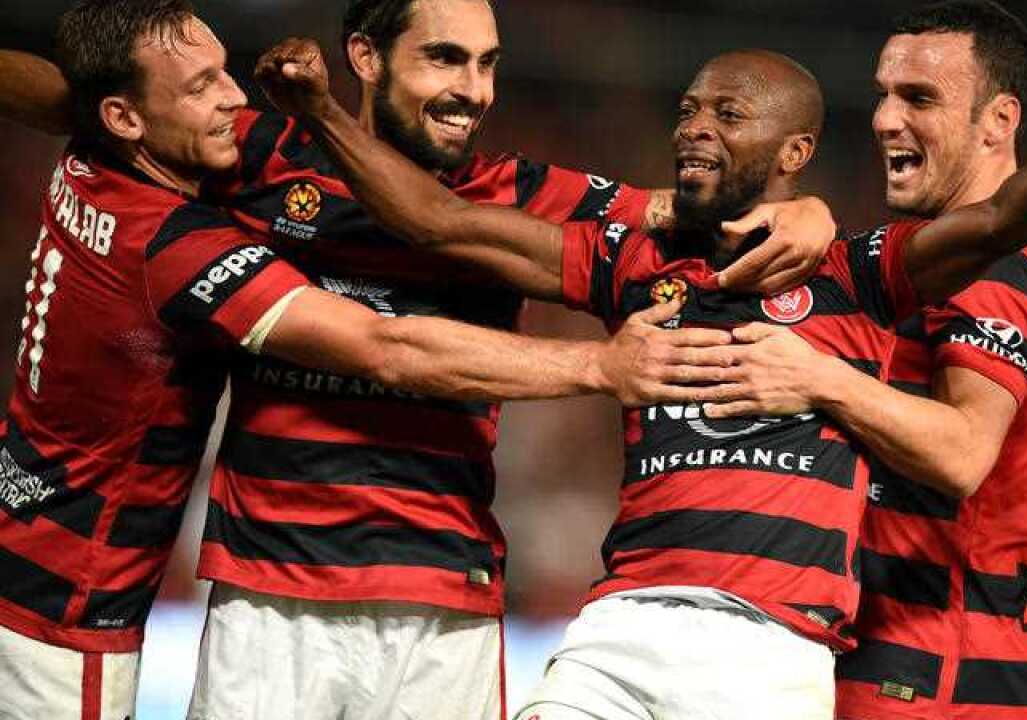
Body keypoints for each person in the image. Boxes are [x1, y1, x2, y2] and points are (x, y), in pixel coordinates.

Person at [0, 2, 835, 717]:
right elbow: (88, 101)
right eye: (444, 57)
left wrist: (814, 215)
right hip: (271, 595)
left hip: (448, 600)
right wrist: (596, 368)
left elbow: (698, 213)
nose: (473, 89)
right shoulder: (256, 154)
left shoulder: (527, 194)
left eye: (487, 63)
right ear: (366, 57)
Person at [254, 33, 1027, 717]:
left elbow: (1001, 221)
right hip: (621, 621)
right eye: (689, 108)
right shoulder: (631, 260)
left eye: (729, 113)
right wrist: (325, 113)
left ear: (794, 152)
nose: (694, 126)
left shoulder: (858, 274)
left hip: (771, 648)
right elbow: (440, 224)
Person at [695, 2, 1027, 719]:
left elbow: (964, 453)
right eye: (885, 93)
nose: (886, 118)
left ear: (999, 121)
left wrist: (818, 377)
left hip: (927, 669)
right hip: (987, 664)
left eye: (919, 98)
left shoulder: (989, 272)